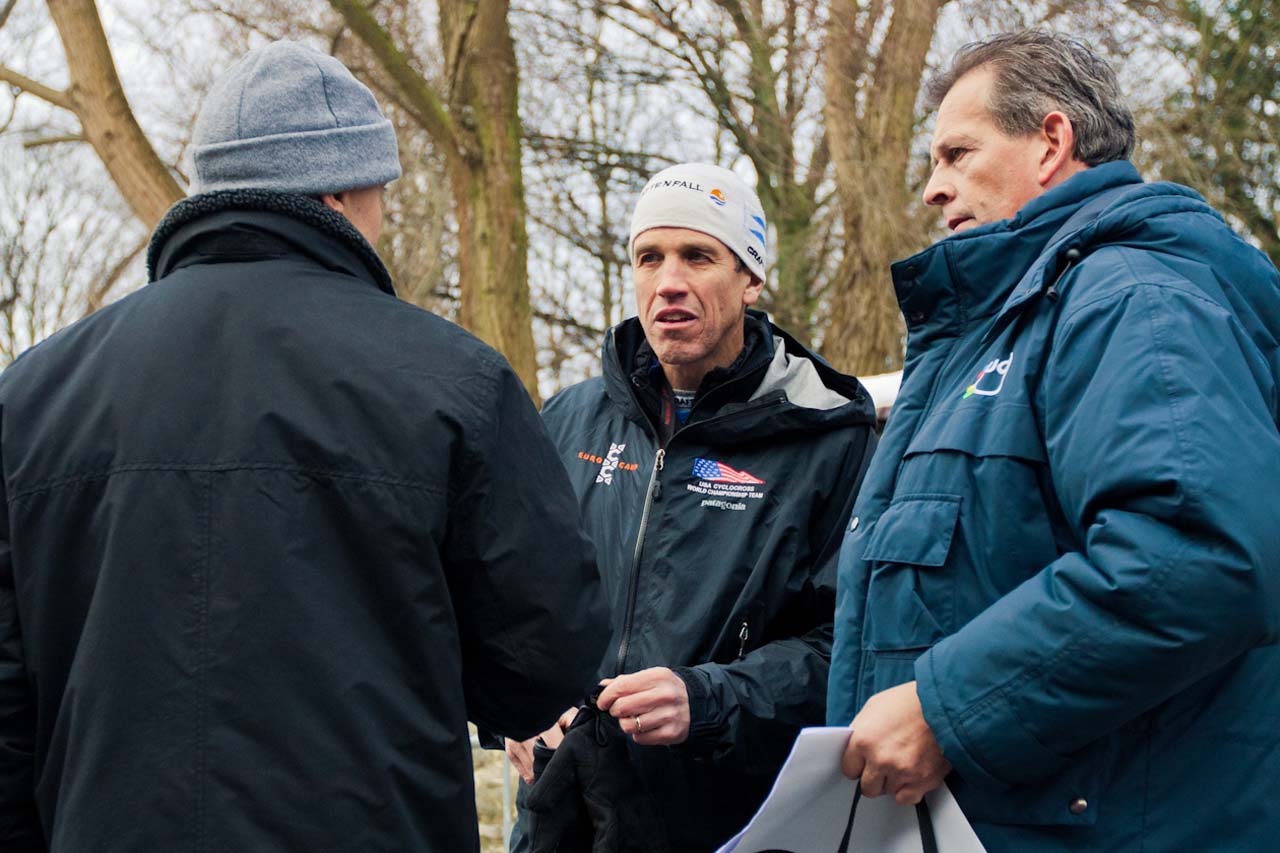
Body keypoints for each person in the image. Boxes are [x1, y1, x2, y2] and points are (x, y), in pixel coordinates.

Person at [0, 41, 606, 852]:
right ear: (342, 191)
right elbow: (542, 663)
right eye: (380, 194)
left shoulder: (33, 393)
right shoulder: (452, 380)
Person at [828, 29, 1280, 851]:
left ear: (1050, 141)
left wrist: (943, 707)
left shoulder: (1133, 298)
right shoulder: (996, 334)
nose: (933, 189)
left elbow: (1194, 555)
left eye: (957, 153)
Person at [509, 163, 878, 852]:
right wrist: (514, 709)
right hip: (566, 821)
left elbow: (852, 650)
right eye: (649, 257)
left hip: (737, 824)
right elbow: (512, 604)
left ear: (751, 277)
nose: (669, 281)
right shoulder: (567, 421)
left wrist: (708, 697)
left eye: (698, 256)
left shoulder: (829, 440)